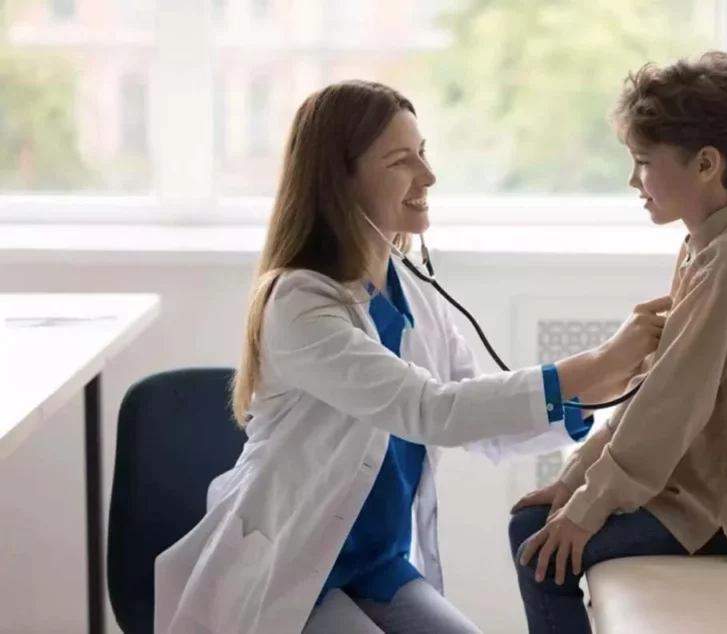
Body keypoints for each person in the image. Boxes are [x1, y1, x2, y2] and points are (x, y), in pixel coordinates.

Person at [152, 80, 669, 634]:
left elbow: (479, 421)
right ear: (338, 181)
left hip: (375, 568)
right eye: (402, 161)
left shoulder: (411, 289)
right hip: (291, 574)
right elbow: (431, 410)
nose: (427, 176)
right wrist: (603, 359)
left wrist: (613, 380)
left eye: (423, 153)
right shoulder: (299, 302)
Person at [508, 51, 727, 633]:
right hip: (712, 483)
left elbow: (669, 408)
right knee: (535, 525)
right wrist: (575, 479)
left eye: (642, 162)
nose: (634, 180)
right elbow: (656, 388)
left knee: (539, 552)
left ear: (706, 164)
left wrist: (584, 509)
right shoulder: (710, 245)